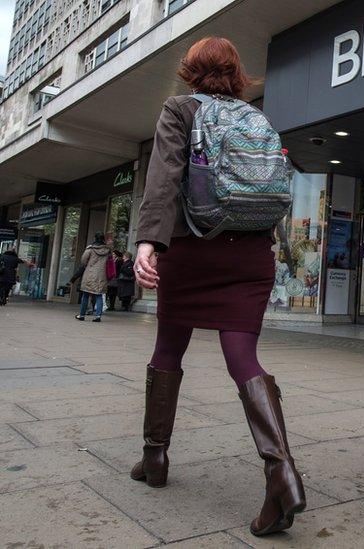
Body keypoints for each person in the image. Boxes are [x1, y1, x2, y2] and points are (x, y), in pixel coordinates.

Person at [132, 36, 305, 537]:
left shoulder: (179, 109)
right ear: (236, 72)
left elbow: (163, 178)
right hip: (251, 251)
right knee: (243, 357)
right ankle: (281, 474)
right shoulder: (257, 117)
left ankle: (155, 458)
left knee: (168, 347)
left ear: (190, 70)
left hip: (193, 248)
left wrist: (149, 242)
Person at [75, 233, 112, 322]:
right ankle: (98, 316)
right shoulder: (108, 250)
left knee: (86, 294)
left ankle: (82, 315)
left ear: (95, 238)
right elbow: (110, 263)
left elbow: (83, 261)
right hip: (102, 275)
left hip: (90, 274)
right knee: (99, 295)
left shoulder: (90, 249)